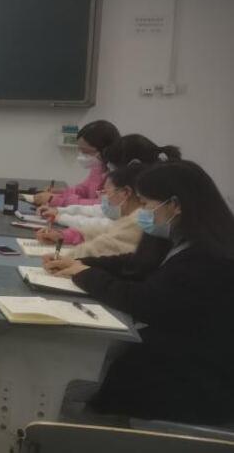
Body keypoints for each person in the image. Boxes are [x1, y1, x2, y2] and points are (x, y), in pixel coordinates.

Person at [43, 161, 234, 425]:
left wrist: (84, 274)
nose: (142, 212)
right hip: (176, 357)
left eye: (145, 204)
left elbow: (143, 301)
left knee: (91, 385)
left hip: (196, 378)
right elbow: (136, 266)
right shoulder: (182, 240)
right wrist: (82, 263)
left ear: (175, 205)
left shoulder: (208, 257)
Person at [34, 164, 146, 259]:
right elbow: (105, 229)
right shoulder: (128, 216)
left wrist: (65, 258)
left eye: (107, 193)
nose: (104, 198)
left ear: (126, 192)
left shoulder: (140, 220)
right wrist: (64, 235)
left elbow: (104, 244)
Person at [33, 120, 120, 207]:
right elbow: (84, 189)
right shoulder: (99, 167)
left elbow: (103, 205)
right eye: (81, 150)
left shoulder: (118, 175)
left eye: (87, 151)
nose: (83, 155)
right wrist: (61, 192)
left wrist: (56, 200)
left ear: (105, 150)